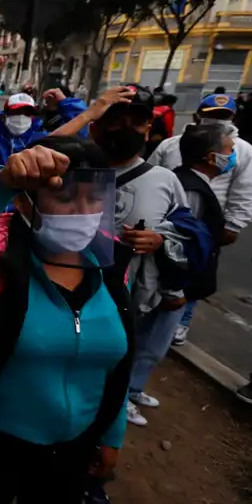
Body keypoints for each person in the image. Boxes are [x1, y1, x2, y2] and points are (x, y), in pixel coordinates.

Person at [0, 138, 131, 504]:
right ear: (23, 203)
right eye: (65, 198)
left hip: (75, 446)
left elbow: (115, 364)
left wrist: (111, 435)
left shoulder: (108, 264)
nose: (83, 213)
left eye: (93, 199)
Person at [53, 85, 190, 428]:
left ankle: (104, 423)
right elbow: (35, 153)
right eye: (115, 119)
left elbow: (187, 232)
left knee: (113, 368)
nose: (126, 128)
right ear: (96, 125)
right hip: (61, 296)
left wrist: (160, 240)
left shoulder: (166, 180)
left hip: (127, 302)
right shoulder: (72, 166)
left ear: (149, 128)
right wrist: (87, 112)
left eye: (137, 120)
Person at [147, 93, 251, 345]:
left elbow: (244, 190)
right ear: (198, 116)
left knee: (197, 272)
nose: (218, 122)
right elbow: (151, 173)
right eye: (212, 116)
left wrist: (233, 224)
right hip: (168, 217)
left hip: (210, 221)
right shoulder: (172, 145)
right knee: (169, 266)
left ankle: (181, 321)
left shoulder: (243, 151)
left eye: (224, 117)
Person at [166, 124, 232, 346]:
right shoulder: (191, 191)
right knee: (150, 350)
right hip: (178, 289)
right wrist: (175, 291)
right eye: (229, 151)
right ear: (212, 158)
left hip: (182, 286)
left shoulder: (189, 182)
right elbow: (178, 243)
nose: (232, 157)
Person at [0, 56, 68, 172]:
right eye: (16, 112)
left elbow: (77, 134)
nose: (21, 117)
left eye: (27, 114)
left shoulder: (41, 141)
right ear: (4, 116)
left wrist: (66, 104)